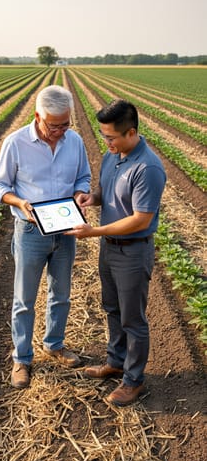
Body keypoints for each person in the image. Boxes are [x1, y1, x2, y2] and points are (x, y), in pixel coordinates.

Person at [0, 85, 92, 388]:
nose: (61, 131)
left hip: (65, 231)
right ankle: (22, 358)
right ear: (38, 116)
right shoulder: (16, 143)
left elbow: (83, 177)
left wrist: (80, 193)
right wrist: (20, 202)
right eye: (54, 125)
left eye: (66, 124)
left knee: (60, 294)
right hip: (31, 231)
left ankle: (55, 344)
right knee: (24, 299)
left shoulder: (74, 141)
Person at [66, 99, 166, 406]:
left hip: (133, 252)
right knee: (112, 308)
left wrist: (92, 231)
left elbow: (140, 219)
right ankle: (115, 361)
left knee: (133, 319)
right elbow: (106, 191)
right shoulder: (114, 156)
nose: (105, 141)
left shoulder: (147, 167)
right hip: (109, 249)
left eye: (111, 136)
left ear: (131, 132)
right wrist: (90, 198)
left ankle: (134, 381)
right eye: (103, 135)